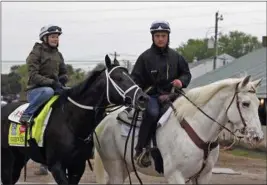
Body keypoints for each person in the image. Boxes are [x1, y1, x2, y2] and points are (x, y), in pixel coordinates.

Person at [131, 20, 192, 167]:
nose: (160, 38)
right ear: (152, 37)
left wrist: (181, 82)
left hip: (173, 95)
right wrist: (142, 95)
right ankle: (141, 148)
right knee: (152, 114)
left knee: (188, 112)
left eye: (163, 35)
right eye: (157, 35)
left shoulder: (176, 57)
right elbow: (134, 80)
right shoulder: (144, 58)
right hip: (151, 96)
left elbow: (186, 74)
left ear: (168, 37)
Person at [19, 24, 68, 124]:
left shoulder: (58, 54)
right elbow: (33, 75)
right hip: (36, 91)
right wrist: (52, 83)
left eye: (57, 37)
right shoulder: (36, 53)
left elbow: (63, 72)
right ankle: (27, 115)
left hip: (53, 87)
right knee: (48, 91)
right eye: (52, 37)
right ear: (45, 38)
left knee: (71, 92)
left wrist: (63, 79)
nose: (55, 39)